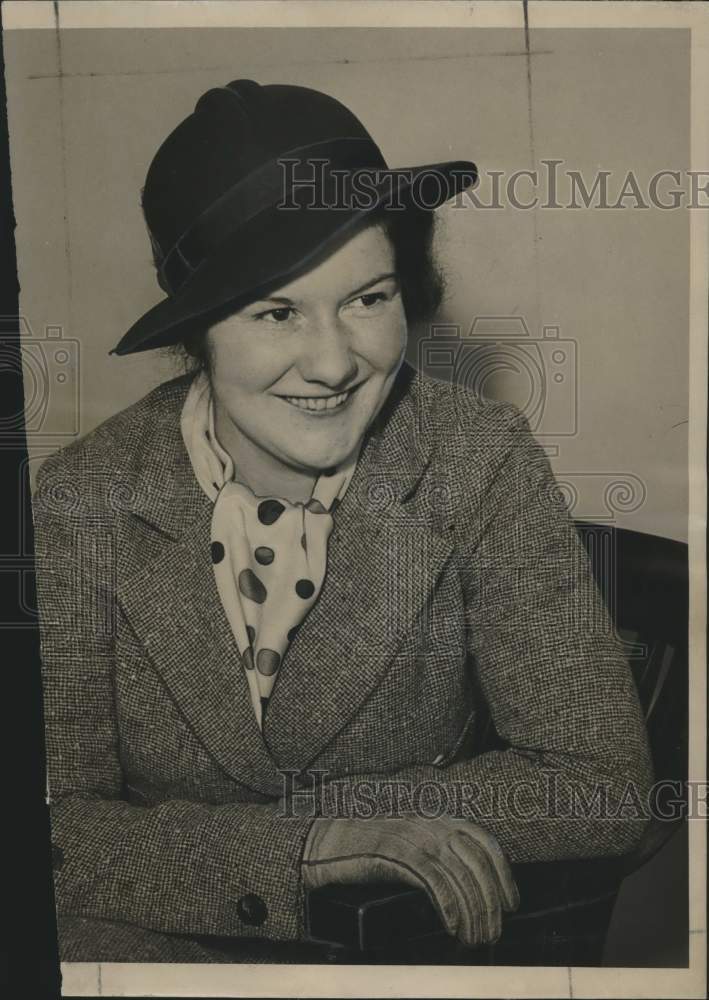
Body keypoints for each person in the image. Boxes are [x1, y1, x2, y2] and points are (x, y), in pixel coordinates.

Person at [32, 79, 653, 964]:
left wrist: (347, 829)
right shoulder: (81, 498)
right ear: (200, 330)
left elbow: (600, 786)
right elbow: (53, 831)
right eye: (276, 311)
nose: (333, 363)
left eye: (368, 298)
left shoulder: (478, 459)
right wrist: (307, 844)